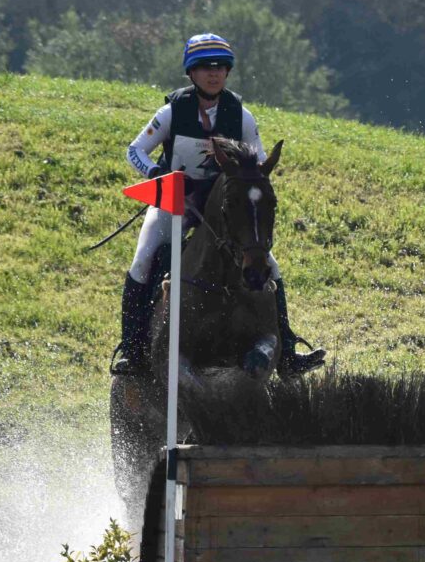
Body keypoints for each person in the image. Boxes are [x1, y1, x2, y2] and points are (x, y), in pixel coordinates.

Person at [111, 32, 326, 377]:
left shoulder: (241, 116)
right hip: (177, 200)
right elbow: (133, 150)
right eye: (205, 67)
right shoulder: (171, 112)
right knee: (143, 259)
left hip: (226, 207)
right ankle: (132, 352)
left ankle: (286, 352)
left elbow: (254, 166)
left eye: (220, 67)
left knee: (271, 266)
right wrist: (155, 172)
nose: (214, 73)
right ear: (191, 73)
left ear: (227, 73)